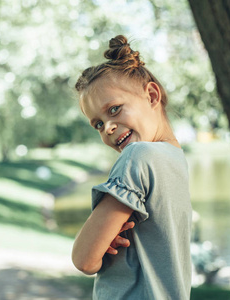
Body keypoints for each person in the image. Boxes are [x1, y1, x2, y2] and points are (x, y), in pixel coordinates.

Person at [71, 35, 192, 299]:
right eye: (98, 124)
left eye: (114, 110)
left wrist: (99, 248)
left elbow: (84, 260)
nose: (108, 128)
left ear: (151, 95)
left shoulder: (139, 155)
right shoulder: (176, 160)